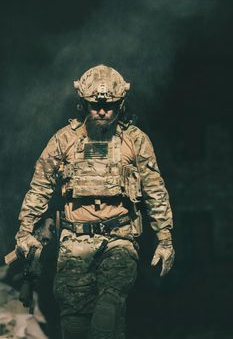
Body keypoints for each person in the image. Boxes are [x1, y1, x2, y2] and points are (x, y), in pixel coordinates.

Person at [15, 64, 175, 339]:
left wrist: (165, 239)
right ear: (82, 103)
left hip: (119, 241)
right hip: (74, 243)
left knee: (106, 315)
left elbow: (154, 190)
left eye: (110, 105)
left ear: (120, 104)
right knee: (75, 324)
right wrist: (25, 231)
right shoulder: (64, 140)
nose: (102, 111)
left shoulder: (135, 141)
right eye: (95, 105)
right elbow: (40, 186)